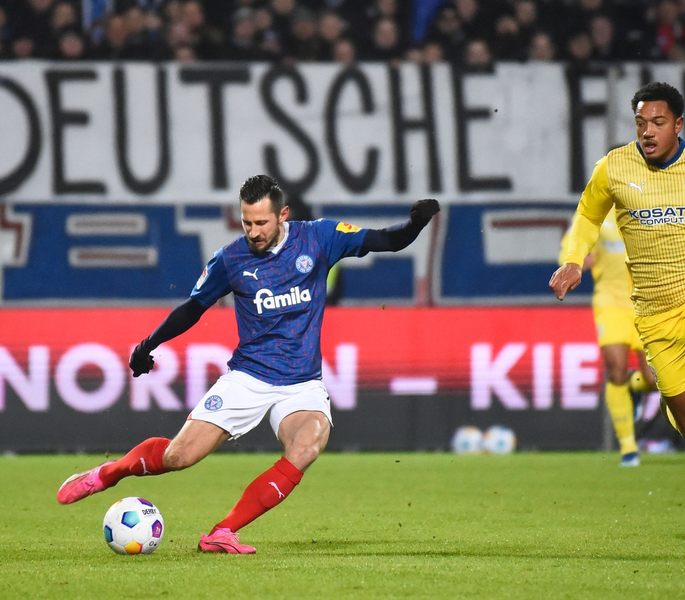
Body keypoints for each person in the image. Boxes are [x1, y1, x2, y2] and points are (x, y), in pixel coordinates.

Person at [57, 175, 440, 554]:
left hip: (302, 383)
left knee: (307, 446)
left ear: (282, 215)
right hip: (248, 377)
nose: (253, 232)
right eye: (246, 222)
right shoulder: (231, 259)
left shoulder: (319, 237)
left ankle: (222, 532)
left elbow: (388, 240)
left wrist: (415, 224)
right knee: (179, 457)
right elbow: (194, 307)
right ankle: (108, 473)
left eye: (261, 222)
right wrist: (149, 344)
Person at [549, 82, 685, 546]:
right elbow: (588, 216)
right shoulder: (614, 167)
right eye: (640, 123)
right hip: (652, 311)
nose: (647, 132)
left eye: (657, 122)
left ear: (678, 124)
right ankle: (674, 400)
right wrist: (573, 259)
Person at [559, 212, 657, 468]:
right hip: (610, 303)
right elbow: (570, 249)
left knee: (654, 379)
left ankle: (635, 389)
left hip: (647, 303)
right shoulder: (595, 212)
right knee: (616, 372)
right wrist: (579, 261)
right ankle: (628, 448)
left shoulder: (646, 206)